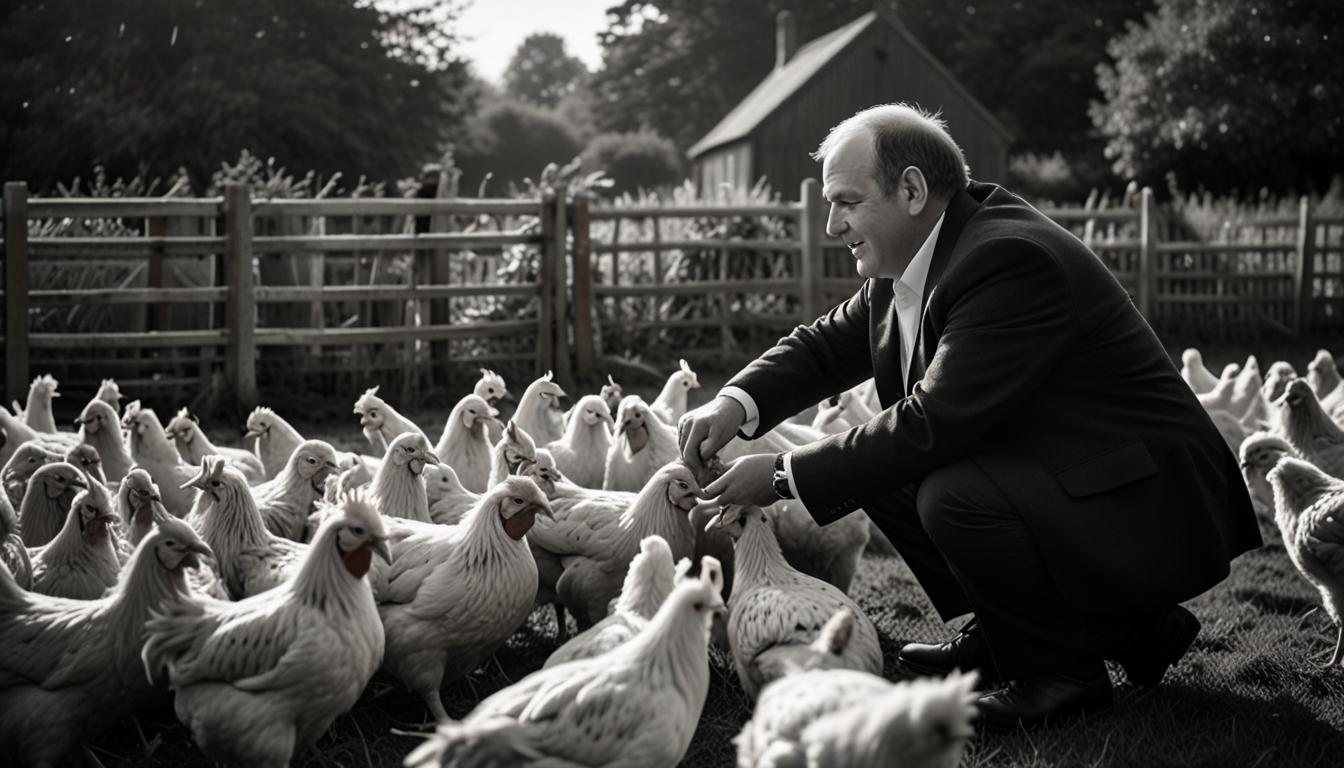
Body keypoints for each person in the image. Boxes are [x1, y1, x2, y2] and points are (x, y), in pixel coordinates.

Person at [677, 103, 1261, 730]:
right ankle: (1053, 630)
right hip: (1071, 465)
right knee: (881, 470)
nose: (830, 223)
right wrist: (731, 403)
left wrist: (785, 474)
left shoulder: (1006, 258)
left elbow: (935, 422)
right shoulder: (923, 254)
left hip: (1145, 495)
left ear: (911, 190)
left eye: (846, 201)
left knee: (949, 493)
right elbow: (824, 346)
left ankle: (1062, 674)